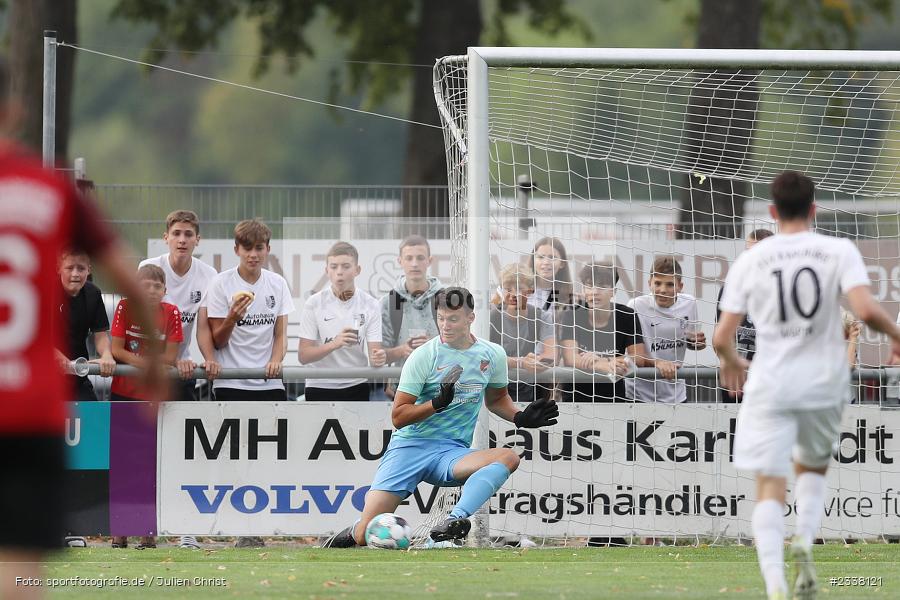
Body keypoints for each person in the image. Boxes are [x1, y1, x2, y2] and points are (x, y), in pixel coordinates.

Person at [0, 57, 166, 599]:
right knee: (20, 570)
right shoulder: (48, 190)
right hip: (27, 411)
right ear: (16, 108)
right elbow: (130, 277)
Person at [714, 170, 900, 600]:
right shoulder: (836, 249)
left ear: (773, 212)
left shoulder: (753, 259)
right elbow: (866, 310)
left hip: (771, 379)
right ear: (814, 209)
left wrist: (731, 361)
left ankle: (776, 582)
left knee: (769, 483)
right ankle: (806, 534)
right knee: (812, 467)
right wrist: (895, 336)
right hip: (822, 379)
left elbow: (722, 337)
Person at [321, 287, 559, 548]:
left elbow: (496, 399)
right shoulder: (424, 356)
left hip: (450, 453)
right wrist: (436, 404)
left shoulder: (492, 355)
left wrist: (520, 417)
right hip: (409, 449)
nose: (445, 326)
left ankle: (453, 522)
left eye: (453, 319)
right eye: (441, 318)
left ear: (470, 318)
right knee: (365, 534)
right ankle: (356, 529)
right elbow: (398, 416)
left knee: (509, 457)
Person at [204, 219, 294, 549]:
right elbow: (217, 338)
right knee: (233, 458)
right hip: (231, 384)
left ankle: (259, 525)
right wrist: (232, 316)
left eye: (259, 248)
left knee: (267, 458)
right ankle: (234, 524)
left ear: (267, 250)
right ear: (236, 250)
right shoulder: (221, 284)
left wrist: (276, 360)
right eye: (247, 248)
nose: (253, 255)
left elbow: (281, 333)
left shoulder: (277, 284)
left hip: (268, 385)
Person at [109, 264, 183, 549]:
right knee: (123, 464)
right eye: (146, 285)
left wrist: (142, 364)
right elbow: (116, 350)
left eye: (157, 286)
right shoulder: (125, 307)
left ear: (165, 291)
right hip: (122, 394)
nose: (151, 290)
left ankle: (147, 530)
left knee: (149, 465)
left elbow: (171, 357)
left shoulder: (171, 312)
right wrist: (150, 364)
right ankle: (121, 530)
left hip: (153, 400)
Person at [140, 210, 220, 404]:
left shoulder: (209, 275)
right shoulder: (149, 267)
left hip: (181, 367)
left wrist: (210, 359)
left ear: (197, 240)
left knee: (181, 429)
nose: (182, 240)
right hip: (147, 364)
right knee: (138, 431)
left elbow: (202, 327)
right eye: (176, 233)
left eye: (188, 234)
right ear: (166, 238)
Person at [298, 241, 386, 401]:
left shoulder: (371, 304)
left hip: (356, 385)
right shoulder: (314, 303)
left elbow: (375, 356)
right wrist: (334, 344)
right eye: (334, 267)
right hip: (319, 385)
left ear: (357, 270)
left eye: (346, 266)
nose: (339, 272)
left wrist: (379, 358)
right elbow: (303, 356)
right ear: (326, 271)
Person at [560, 262, 644, 403]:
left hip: (613, 397)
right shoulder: (572, 314)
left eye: (602, 286)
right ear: (583, 290)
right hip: (575, 398)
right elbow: (570, 358)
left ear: (613, 291)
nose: (595, 291)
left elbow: (638, 358)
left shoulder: (626, 315)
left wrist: (602, 359)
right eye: (589, 285)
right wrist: (602, 364)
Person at [626, 256, 706, 403]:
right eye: (657, 283)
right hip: (639, 394)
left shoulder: (689, 303)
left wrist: (697, 343)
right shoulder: (636, 306)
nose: (663, 290)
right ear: (649, 283)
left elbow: (691, 341)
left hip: (676, 393)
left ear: (680, 286)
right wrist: (658, 363)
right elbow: (633, 355)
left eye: (670, 285)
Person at [715, 229, 774, 402]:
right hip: (737, 379)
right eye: (748, 252)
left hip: (771, 382)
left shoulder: (784, 291)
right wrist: (730, 360)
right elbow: (719, 338)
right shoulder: (730, 289)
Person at [381, 235, 443, 398]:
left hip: (439, 388)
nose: (414, 264)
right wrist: (402, 350)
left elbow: (460, 347)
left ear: (430, 260)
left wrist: (434, 345)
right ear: (399, 261)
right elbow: (379, 356)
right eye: (409, 258)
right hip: (401, 389)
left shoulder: (446, 299)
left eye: (420, 258)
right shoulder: (388, 302)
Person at [54, 249, 116, 402]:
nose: (75, 274)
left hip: (77, 377)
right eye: (69, 268)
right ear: (59, 268)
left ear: (89, 270)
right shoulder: (46, 291)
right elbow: (36, 336)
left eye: (81, 268)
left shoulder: (93, 294)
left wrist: (106, 355)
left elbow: (101, 336)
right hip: (46, 378)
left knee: (94, 422)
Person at [490, 264, 556, 403]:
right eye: (508, 289)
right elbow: (483, 358)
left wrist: (535, 361)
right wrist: (520, 363)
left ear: (530, 291)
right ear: (501, 290)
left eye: (520, 288)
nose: (514, 294)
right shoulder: (491, 317)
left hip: (528, 390)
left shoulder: (541, 316)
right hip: (494, 389)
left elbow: (551, 355)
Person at [528, 237, 574, 313]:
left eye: (552, 257)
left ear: (562, 263)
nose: (546, 262)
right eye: (540, 257)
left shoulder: (569, 297)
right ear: (533, 260)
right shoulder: (519, 290)